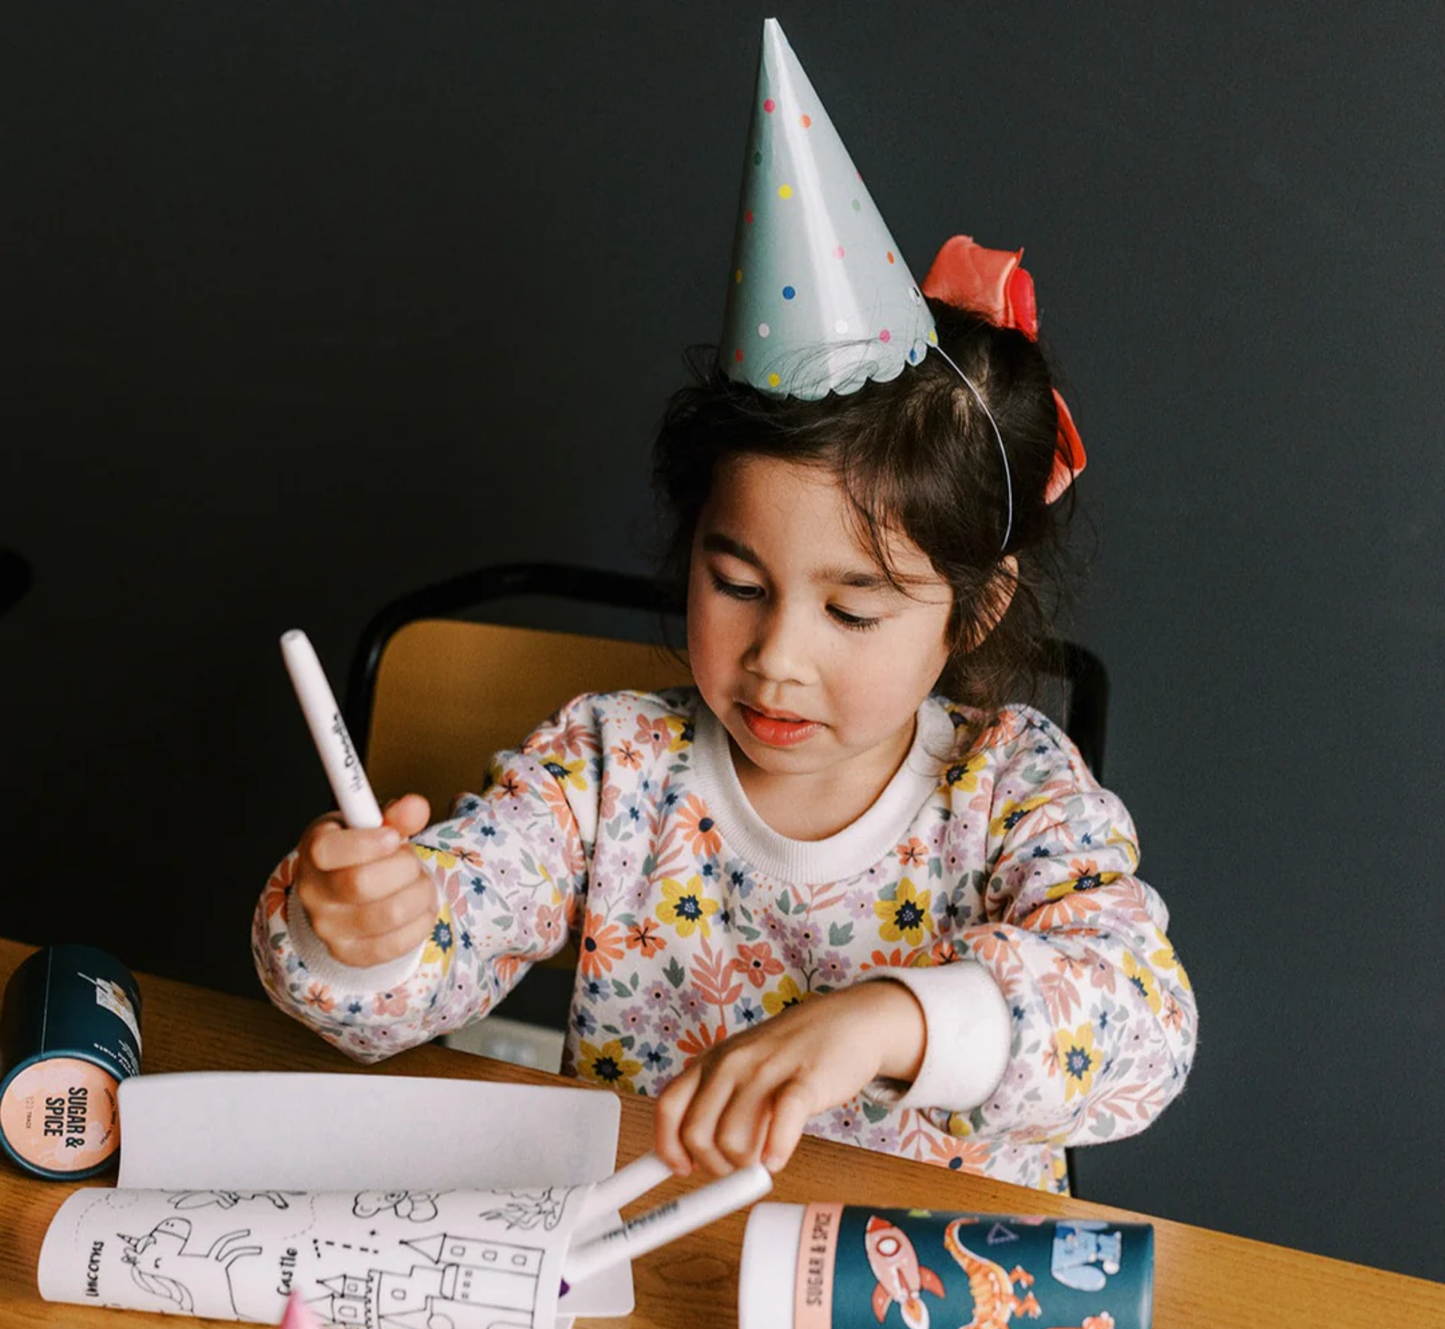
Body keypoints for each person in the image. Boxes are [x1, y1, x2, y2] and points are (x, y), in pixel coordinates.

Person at [252, 21, 1195, 1194]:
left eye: (852, 611)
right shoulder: (609, 768)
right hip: (647, 1270)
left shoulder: (1012, 790)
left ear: (973, 608)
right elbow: (409, 980)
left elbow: (1142, 1027)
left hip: (921, 1283)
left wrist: (884, 1017)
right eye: (737, 584)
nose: (776, 658)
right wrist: (354, 933)